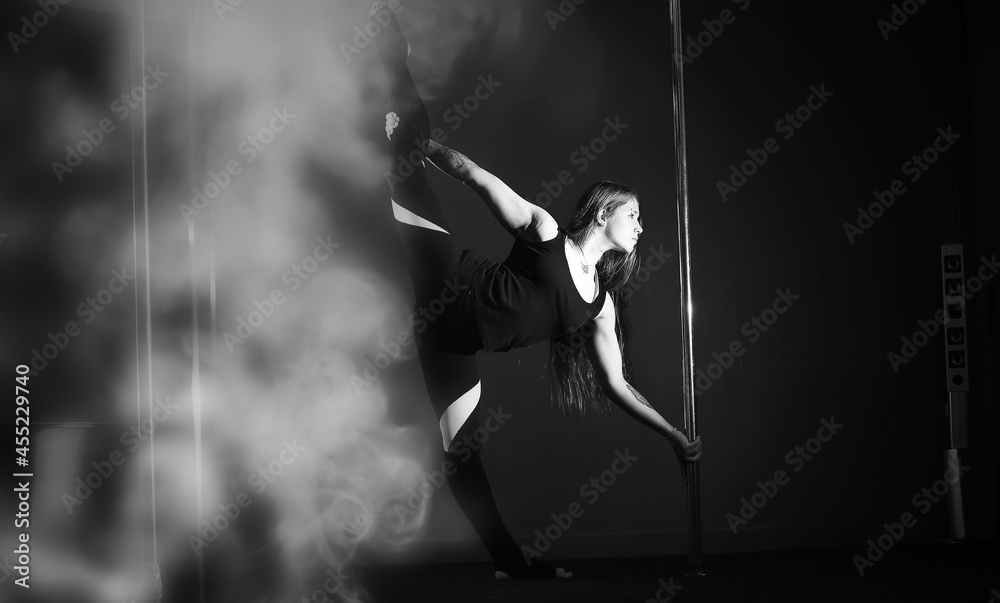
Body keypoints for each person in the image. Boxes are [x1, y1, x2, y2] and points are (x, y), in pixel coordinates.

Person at [370, 1, 702, 580]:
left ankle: (511, 565)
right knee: (405, 162)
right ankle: (387, 48)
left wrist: (673, 435)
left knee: (461, 454)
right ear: (603, 212)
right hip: (448, 279)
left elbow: (618, 385)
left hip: (450, 343)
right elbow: (476, 178)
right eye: (634, 215)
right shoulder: (546, 232)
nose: (641, 226)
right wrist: (428, 151)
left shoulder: (599, 307)